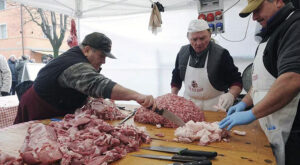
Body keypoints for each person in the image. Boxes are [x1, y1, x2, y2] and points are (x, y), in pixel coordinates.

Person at [219, 0, 300, 164]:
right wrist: (244, 103)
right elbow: (259, 82)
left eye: (258, 10)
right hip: (270, 126)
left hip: (291, 131)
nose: (254, 17)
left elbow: (292, 80)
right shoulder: (268, 35)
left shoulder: (294, 26)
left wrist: (252, 113)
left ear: (278, 1)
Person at [14, 32, 156, 123]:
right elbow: (98, 84)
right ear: (87, 50)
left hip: (57, 109)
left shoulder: (81, 58)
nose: (104, 61)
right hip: (39, 108)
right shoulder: (75, 64)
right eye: (102, 56)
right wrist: (137, 96)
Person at [171, 19, 242, 111]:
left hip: (216, 106)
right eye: (194, 39)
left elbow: (236, 81)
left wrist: (231, 95)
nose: (199, 43)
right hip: (189, 107)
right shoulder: (182, 53)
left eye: (202, 38)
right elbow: (176, 78)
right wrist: (173, 97)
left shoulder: (221, 54)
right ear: (188, 38)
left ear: (209, 35)